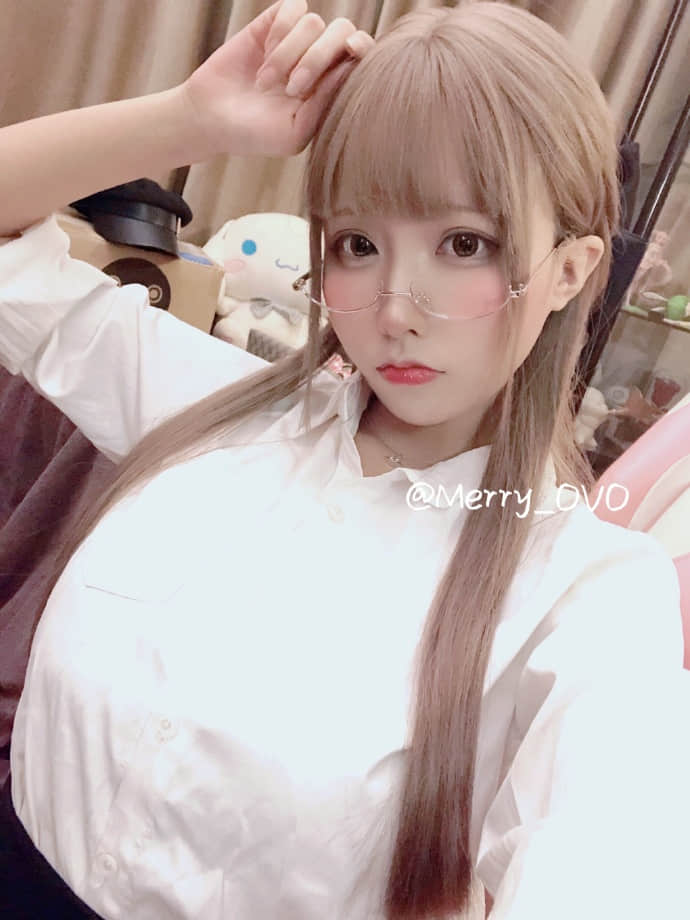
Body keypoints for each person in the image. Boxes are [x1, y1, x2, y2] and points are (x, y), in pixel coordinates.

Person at [0, 0, 689, 917]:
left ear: (569, 270)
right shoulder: (211, 412)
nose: (395, 308)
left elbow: (613, 860)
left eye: (465, 245)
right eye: (358, 245)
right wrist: (190, 118)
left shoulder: (586, 592)